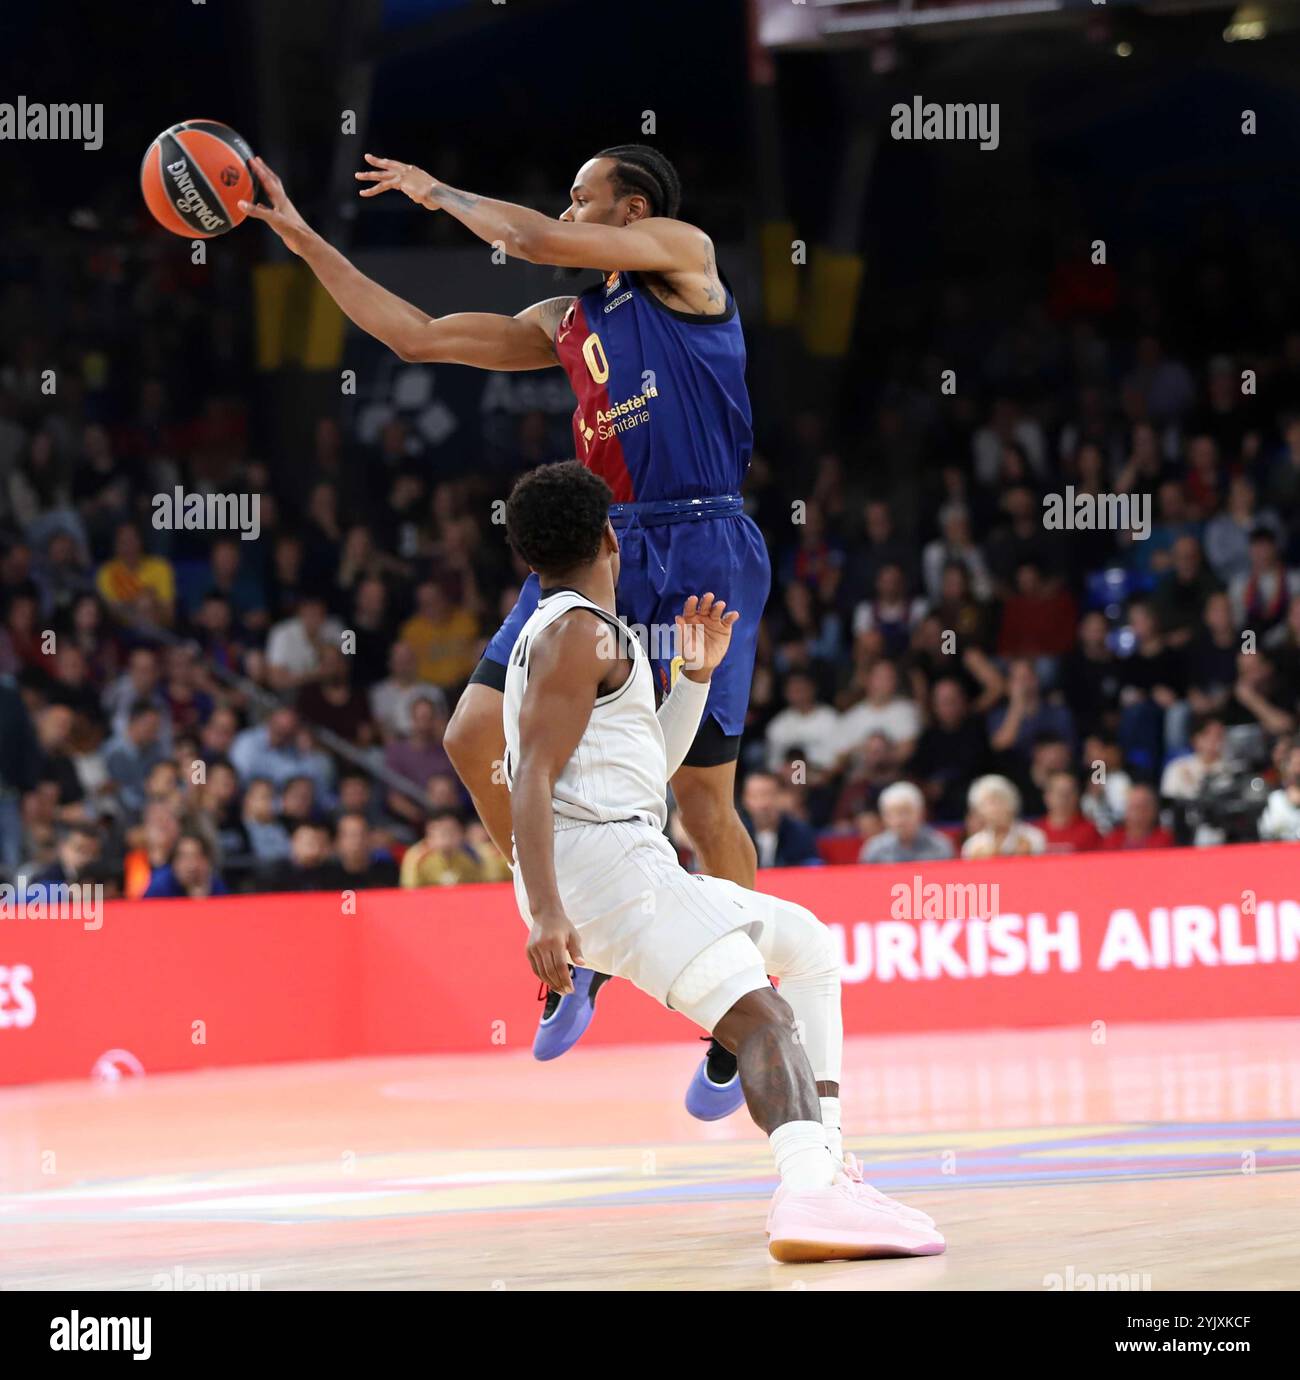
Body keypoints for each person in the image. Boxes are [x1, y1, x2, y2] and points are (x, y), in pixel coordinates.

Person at [242, 145, 770, 1090]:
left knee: (701, 798)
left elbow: (526, 235)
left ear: (631, 208)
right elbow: (414, 334)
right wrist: (301, 236)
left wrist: (435, 190)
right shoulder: (565, 319)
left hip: (699, 539)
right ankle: (568, 925)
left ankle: (741, 1014)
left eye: (581, 196)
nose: (564, 208)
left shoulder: (684, 256)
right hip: (599, 546)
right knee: (473, 730)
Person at [500, 461, 941, 1261]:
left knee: (804, 943)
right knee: (763, 1018)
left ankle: (828, 1168)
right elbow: (531, 773)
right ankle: (808, 1192)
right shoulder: (577, 631)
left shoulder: (580, 630)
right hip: (607, 872)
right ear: (610, 535)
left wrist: (693, 679)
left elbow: (646, 773)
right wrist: (546, 908)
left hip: (621, 861)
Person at [860, 782, 953, 864]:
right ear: (884, 818)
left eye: (906, 812)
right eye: (893, 814)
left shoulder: (940, 846)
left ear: (921, 812)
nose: (900, 820)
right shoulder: (874, 850)